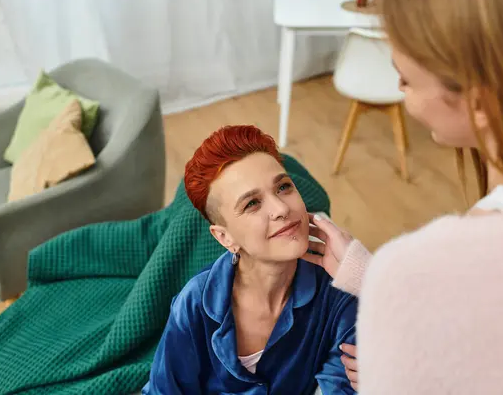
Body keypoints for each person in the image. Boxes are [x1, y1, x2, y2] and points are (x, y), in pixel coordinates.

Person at [304, 0, 503, 393]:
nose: (401, 91)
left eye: (405, 79)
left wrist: (398, 373)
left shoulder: (421, 271)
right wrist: (376, 280)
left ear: (479, 101)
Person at [142, 125, 358, 394]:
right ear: (225, 238)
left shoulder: (342, 289)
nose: (281, 209)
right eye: (252, 204)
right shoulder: (194, 304)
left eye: (283, 187)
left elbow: (342, 385)